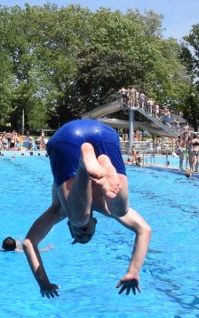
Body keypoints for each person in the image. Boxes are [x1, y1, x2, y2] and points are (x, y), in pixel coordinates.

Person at [22, 119, 152, 298]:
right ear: (95, 223)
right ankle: (104, 164)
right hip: (104, 134)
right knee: (120, 211)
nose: (83, 233)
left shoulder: (59, 210)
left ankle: (84, 164)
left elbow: (29, 243)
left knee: (77, 217)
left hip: (67, 138)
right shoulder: (105, 208)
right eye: (88, 234)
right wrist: (133, 271)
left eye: (78, 234)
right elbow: (144, 230)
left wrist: (43, 283)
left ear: (68, 227)